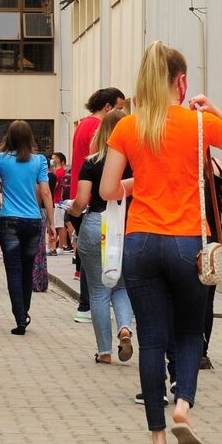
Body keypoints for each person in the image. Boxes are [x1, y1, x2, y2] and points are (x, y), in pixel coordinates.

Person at [101, 41, 222, 444]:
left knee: (152, 339)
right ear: (181, 81)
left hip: (142, 242)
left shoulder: (128, 126)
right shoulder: (198, 125)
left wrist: (138, 185)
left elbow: (107, 189)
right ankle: (182, 404)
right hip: (189, 242)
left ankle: (157, 439)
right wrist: (214, 109)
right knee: (188, 331)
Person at [69, 109, 135, 364]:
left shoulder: (92, 162)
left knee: (98, 291)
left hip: (97, 223)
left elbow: (82, 200)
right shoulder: (136, 161)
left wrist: (72, 210)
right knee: (122, 286)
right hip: (128, 225)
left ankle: (105, 352)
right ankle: (125, 328)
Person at [0, 121, 57, 336]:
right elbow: (46, 192)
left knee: (13, 270)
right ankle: (25, 311)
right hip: (32, 221)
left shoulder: (0, 159)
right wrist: (51, 222)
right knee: (27, 269)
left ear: (8, 137)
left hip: (9, 219)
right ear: (30, 137)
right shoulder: (39, 160)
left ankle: (20, 317)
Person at [71, 88, 126, 322]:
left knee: (93, 271)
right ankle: (123, 322)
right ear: (108, 107)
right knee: (118, 282)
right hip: (114, 210)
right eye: (120, 107)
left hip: (87, 203)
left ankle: (87, 309)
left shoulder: (82, 125)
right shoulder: (99, 130)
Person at [49, 152, 68, 253]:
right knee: (59, 224)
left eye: (54, 158)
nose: (52, 160)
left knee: (60, 225)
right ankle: (60, 245)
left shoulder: (59, 173)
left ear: (59, 160)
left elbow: (55, 187)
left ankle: (61, 246)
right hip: (57, 200)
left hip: (57, 201)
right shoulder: (59, 172)